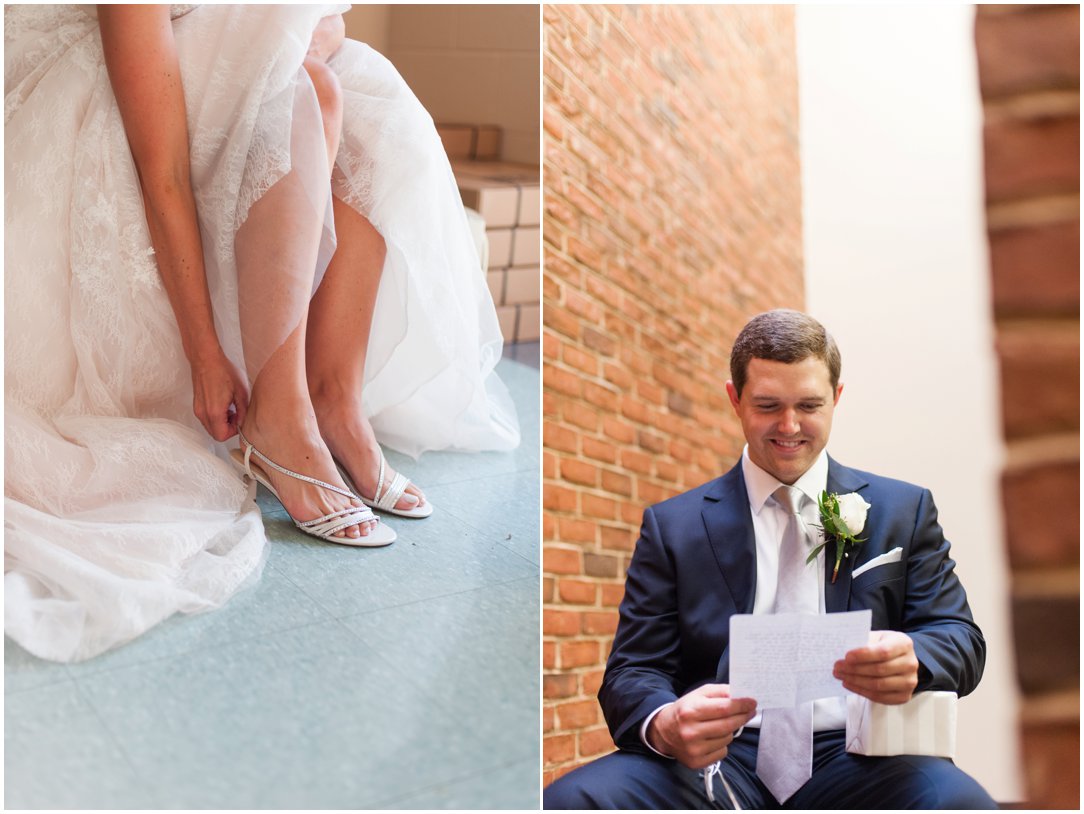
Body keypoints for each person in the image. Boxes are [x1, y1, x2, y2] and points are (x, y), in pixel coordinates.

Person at [5, 4, 519, 663]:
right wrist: (204, 352)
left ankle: (334, 399)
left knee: (370, 102)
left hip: (206, 69)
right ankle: (278, 419)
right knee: (305, 96)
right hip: (106, 89)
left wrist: (285, 43)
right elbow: (162, 170)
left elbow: (329, 24)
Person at [544, 309, 996, 809]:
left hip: (865, 755)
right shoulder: (672, 526)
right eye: (767, 406)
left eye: (809, 405)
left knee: (960, 803)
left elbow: (959, 638)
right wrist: (666, 723)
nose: (789, 426)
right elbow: (633, 671)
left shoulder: (903, 510)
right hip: (717, 758)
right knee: (570, 801)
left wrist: (916, 657)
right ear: (735, 400)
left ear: (836, 398)